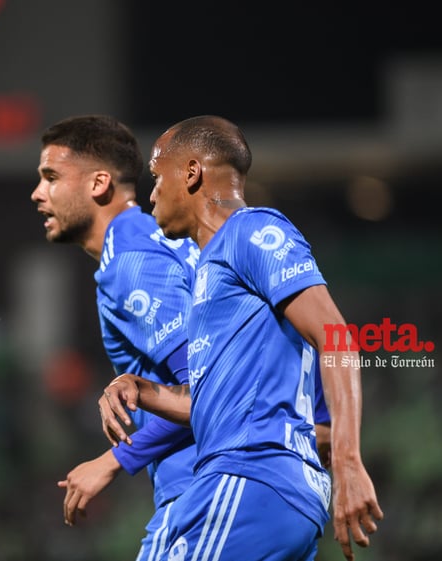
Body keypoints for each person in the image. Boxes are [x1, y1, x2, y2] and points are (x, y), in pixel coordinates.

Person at [99, 116, 383, 561]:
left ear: (191, 173)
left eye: (157, 177)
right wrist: (139, 390)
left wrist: (348, 460)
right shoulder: (211, 271)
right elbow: (210, 402)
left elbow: (336, 336)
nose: (150, 194)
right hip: (268, 489)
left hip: (248, 477)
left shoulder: (251, 230)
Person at [31, 115, 200, 560]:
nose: (37, 193)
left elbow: (209, 390)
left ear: (98, 183)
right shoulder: (150, 242)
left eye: (51, 177)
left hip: (206, 492)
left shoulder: (132, 263)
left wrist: (111, 462)